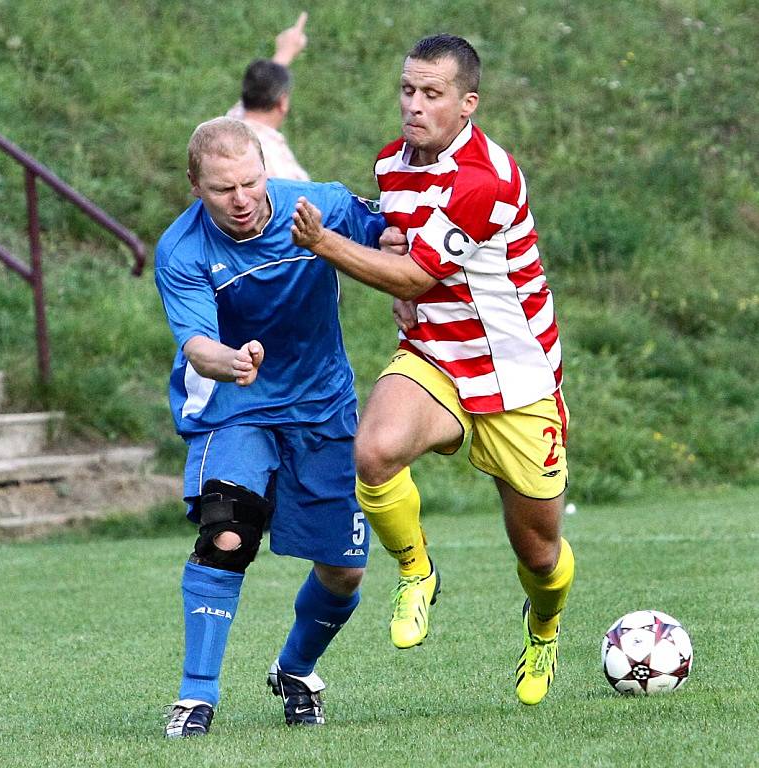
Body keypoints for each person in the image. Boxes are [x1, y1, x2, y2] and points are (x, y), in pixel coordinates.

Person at [290, 34, 575, 707]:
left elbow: (419, 269)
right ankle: (416, 572)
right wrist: (392, 265)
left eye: (431, 94)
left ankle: (543, 628)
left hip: (515, 378)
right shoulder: (392, 163)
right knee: (374, 449)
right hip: (436, 357)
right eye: (407, 90)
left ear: (467, 103)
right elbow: (404, 246)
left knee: (539, 556)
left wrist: (325, 244)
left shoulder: (484, 179)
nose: (413, 105)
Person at [154, 116, 385, 736]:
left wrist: (409, 287)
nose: (241, 200)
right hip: (238, 406)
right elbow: (198, 345)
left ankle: (295, 669)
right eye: (223, 188)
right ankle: (195, 696)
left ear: (266, 170)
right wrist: (231, 362)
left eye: (251, 182)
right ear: (195, 185)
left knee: (344, 572)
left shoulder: (320, 207)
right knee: (227, 533)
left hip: (322, 407)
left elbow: (396, 240)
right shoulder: (184, 250)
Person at [226, 12, 310, 180]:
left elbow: (262, 84)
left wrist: (286, 51)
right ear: (282, 102)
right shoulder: (278, 165)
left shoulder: (229, 126)